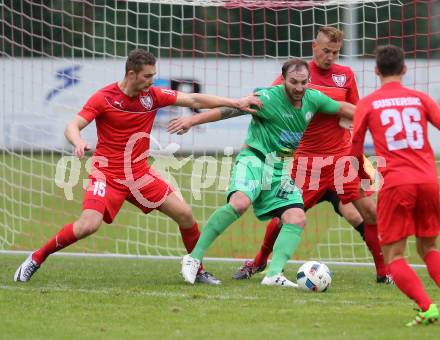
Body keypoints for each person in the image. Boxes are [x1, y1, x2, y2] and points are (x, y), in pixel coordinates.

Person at [13, 48, 261, 285]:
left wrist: (236, 102)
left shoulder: (152, 96)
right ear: (131, 74)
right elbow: (72, 126)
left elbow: (193, 98)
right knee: (88, 225)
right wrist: (78, 142)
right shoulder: (104, 98)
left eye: (153, 75)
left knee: (185, 215)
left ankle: (198, 270)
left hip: (140, 174)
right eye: (148, 76)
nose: (152, 81)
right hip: (106, 174)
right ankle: (36, 258)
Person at [170, 58, 355, 286]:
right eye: (293, 82)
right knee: (239, 203)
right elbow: (230, 111)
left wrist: (369, 118)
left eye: (303, 82)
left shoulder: (313, 98)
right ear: (283, 79)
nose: (298, 88)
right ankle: (193, 258)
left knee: (296, 218)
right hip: (254, 160)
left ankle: (273, 274)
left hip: (279, 169)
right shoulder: (267, 98)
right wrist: (192, 120)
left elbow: (343, 108)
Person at [233, 26, 390, 284]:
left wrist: (353, 122)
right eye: (326, 50)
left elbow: (354, 110)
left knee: (366, 213)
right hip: (307, 163)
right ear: (314, 47)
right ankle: (259, 261)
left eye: (336, 52)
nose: (330, 57)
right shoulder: (299, 75)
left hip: (342, 160)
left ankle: (384, 272)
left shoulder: (345, 75)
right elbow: (271, 99)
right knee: (285, 214)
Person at [351, 45, 440, 326]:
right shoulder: (420, 98)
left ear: (376, 71)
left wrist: (363, 178)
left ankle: (427, 307)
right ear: (404, 69)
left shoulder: (368, 103)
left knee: (393, 255)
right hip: (429, 180)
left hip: (397, 184)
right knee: (429, 249)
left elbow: (354, 149)